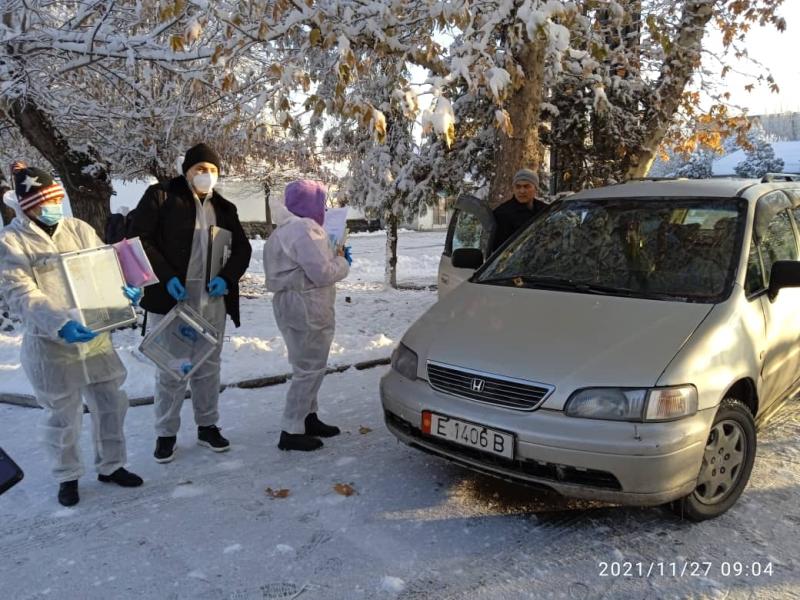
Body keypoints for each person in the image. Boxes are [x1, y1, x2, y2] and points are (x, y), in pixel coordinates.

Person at [0, 164, 143, 507]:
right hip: (51, 345)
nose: (52, 207)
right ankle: (67, 476)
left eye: (55, 199)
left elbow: (101, 269)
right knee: (62, 416)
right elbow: (20, 293)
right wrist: (58, 322)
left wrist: (125, 290)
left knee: (110, 404)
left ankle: (112, 465)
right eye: (41, 203)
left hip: (95, 337)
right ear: (25, 206)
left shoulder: (78, 228)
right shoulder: (12, 241)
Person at [130, 143, 252, 463]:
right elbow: (139, 237)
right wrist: (166, 275)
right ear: (187, 171)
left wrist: (227, 278)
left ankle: (207, 426)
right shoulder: (162, 197)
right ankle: (166, 432)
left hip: (211, 300)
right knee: (171, 368)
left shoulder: (224, 208)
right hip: (172, 300)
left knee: (208, 367)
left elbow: (242, 249)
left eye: (212, 170)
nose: (206, 175)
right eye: (200, 169)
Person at [264, 180, 351, 451]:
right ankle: (291, 429)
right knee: (309, 369)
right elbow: (322, 272)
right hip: (307, 307)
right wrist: (343, 262)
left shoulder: (283, 230)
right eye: (320, 203)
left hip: (293, 305)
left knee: (305, 366)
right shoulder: (304, 229)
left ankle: (307, 417)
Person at [491, 168, 549, 252]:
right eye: (518, 187)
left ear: (535, 188)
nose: (522, 191)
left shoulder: (545, 210)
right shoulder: (502, 214)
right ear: (513, 189)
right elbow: (498, 251)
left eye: (526, 186)